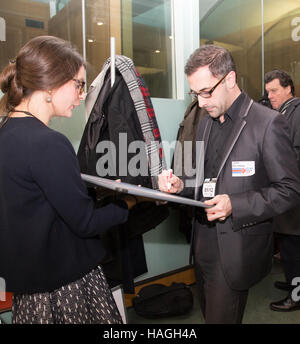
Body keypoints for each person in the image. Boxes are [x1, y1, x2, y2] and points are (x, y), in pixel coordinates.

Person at [0, 35, 139, 324]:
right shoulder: (49, 142)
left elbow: (35, 202)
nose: (81, 95)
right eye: (78, 85)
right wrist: (127, 202)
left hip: (30, 290)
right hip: (66, 287)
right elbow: (85, 222)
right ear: (51, 84)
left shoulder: (6, 133)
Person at [158, 45, 300, 323]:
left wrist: (235, 204)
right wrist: (180, 185)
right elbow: (206, 180)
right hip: (202, 245)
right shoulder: (206, 122)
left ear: (230, 79)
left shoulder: (268, 123)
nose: (200, 103)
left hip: (236, 249)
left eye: (206, 92)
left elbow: (290, 189)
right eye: (195, 94)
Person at [265, 69, 300, 312]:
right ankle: (292, 283)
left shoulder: (296, 112)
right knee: (289, 245)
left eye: (274, 90)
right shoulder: (285, 112)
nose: (270, 96)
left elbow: (293, 154)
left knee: (293, 247)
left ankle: (297, 296)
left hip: (292, 193)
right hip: (288, 191)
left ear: (288, 88)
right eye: (268, 92)